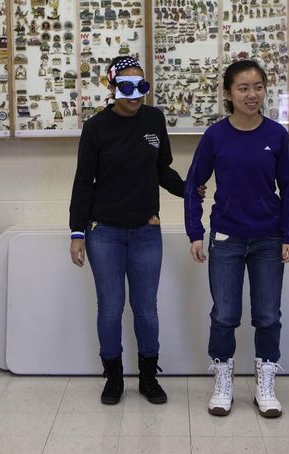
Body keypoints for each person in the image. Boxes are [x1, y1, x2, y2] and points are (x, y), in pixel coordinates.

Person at [69, 56, 203, 405]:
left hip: (146, 229)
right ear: (111, 88)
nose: (135, 94)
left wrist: (188, 188)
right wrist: (77, 232)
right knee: (110, 308)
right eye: (126, 87)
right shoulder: (96, 127)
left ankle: (147, 377)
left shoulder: (154, 119)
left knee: (146, 307)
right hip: (104, 231)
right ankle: (113, 377)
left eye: (141, 86)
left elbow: (163, 169)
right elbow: (84, 182)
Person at [184, 59, 289, 418]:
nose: (252, 95)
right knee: (225, 315)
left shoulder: (276, 135)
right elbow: (193, 185)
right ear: (228, 94)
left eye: (258, 87)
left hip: (268, 238)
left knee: (267, 316)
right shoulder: (215, 136)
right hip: (226, 239)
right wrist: (195, 232)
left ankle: (265, 386)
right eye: (243, 88)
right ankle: (223, 383)